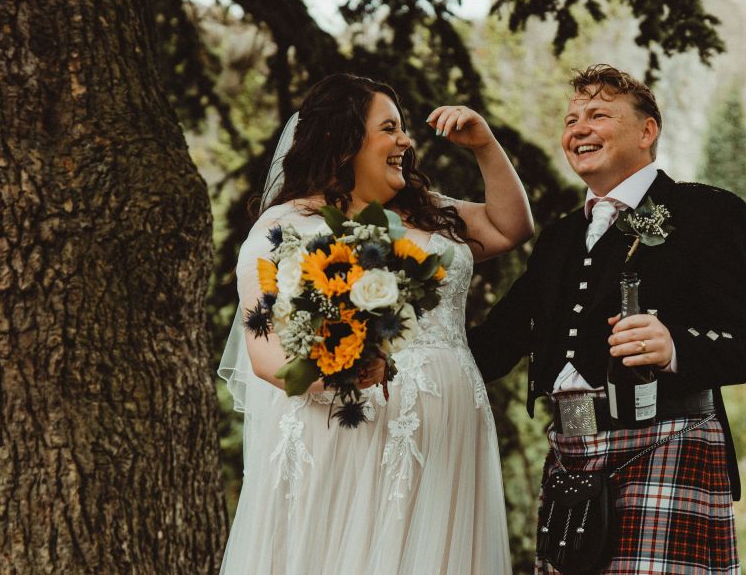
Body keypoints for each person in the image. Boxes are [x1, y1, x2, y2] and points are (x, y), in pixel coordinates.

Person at [218, 72, 532, 574]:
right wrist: (342, 368)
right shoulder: (283, 229)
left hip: (450, 442)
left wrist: (485, 144)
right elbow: (265, 351)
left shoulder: (429, 212)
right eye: (390, 128)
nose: (405, 141)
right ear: (342, 141)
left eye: (403, 128)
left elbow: (510, 226)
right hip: (353, 440)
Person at [468, 64, 746, 573]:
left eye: (599, 115)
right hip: (569, 454)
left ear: (647, 131)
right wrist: (407, 353)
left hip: (666, 441)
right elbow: (497, 344)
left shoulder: (706, 212)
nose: (579, 128)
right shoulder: (561, 237)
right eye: (571, 119)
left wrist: (675, 346)